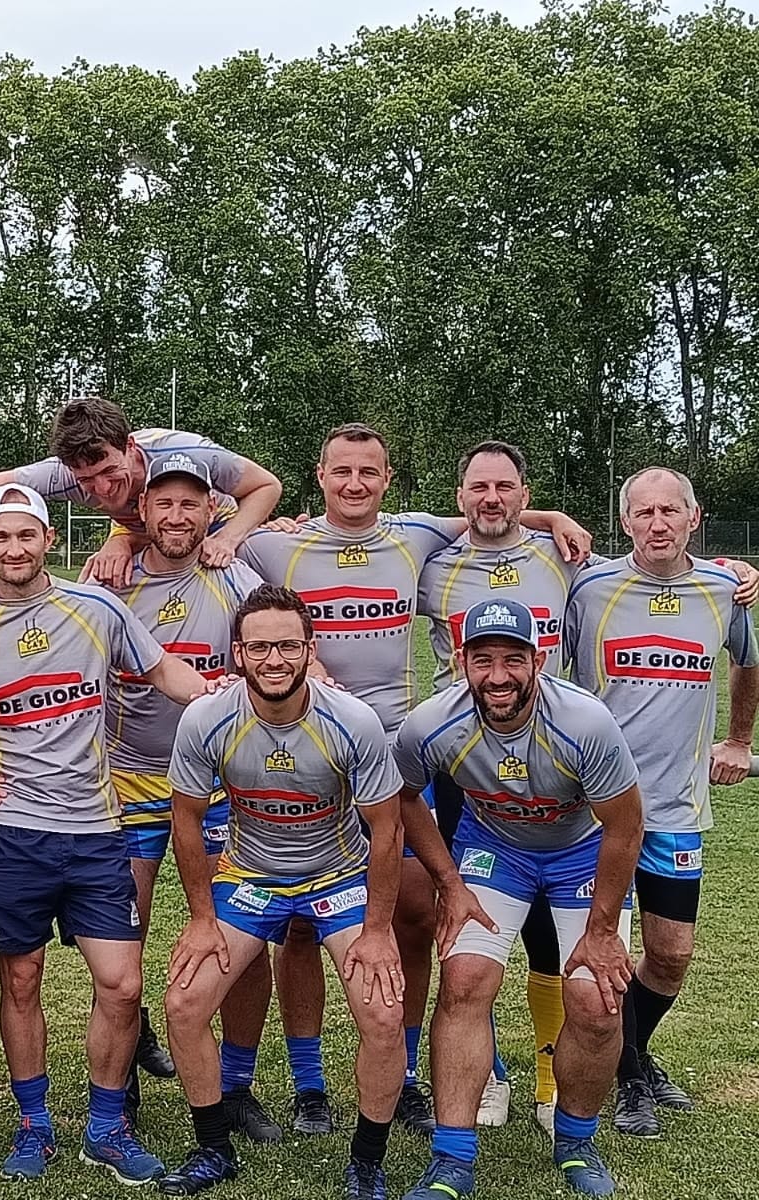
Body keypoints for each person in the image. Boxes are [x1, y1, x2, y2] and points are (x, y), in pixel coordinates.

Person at [230, 424, 590, 1136]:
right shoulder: (273, 547)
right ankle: (308, 1085)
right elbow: (204, 543)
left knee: (418, 918)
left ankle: (412, 1077)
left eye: (369, 471)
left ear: (388, 479)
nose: (354, 483)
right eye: (341, 471)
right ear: (320, 476)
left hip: (398, 759)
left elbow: (491, 515)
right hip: (308, 759)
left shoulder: (416, 536)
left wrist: (552, 516)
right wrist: (123, 540)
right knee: (297, 928)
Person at [0, 482, 216, 1185]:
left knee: (122, 984)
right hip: (14, 833)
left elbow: (163, 670)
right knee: (22, 979)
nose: (14, 548)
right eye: (0, 537)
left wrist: (224, 695)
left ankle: (105, 1128)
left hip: (97, 829)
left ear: (48, 539)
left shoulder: (98, 608)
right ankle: (34, 1125)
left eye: (26, 535)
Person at [161, 584, 406, 1200]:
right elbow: (186, 819)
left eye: (288, 646)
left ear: (310, 649)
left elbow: (387, 829)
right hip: (251, 877)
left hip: (339, 877)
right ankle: (214, 1148)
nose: (275, 660)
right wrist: (201, 918)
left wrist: (379, 930)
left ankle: (366, 1164)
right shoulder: (206, 718)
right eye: (260, 647)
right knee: (184, 1005)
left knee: (383, 1014)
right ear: (238, 653)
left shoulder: (353, 721)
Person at [395, 598, 644, 1200]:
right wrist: (450, 882)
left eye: (513, 659)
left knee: (596, 1000)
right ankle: (452, 1159)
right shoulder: (430, 724)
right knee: (464, 980)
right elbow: (403, 797)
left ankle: (576, 1141)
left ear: (539, 660)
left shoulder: (584, 723)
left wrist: (602, 931)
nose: (498, 676)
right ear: (461, 662)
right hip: (494, 849)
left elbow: (625, 826)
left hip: (581, 852)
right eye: (483, 660)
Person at [563, 467, 758, 1139]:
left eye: (669, 511)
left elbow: (747, 661)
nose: (657, 523)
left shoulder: (726, 590)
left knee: (671, 954)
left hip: (675, 810)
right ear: (625, 523)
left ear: (693, 518)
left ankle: (634, 1056)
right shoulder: (588, 588)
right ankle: (630, 1082)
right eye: (643, 512)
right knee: (605, 957)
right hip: (596, 814)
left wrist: (739, 739)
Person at [102, 452, 266, 1128]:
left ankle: (237, 1084)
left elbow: (280, 650)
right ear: (140, 511)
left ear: (211, 510)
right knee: (121, 938)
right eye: (163, 503)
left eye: (190, 503)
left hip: (221, 785)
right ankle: (120, 1076)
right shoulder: (107, 582)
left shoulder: (237, 578)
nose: (176, 516)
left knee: (242, 935)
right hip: (128, 779)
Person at [0, 396, 283, 587]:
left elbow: (266, 485)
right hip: (155, 545)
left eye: (109, 471)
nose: (102, 489)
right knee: (98, 580)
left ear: (130, 447)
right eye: (86, 480)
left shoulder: (187, 453)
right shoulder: (61, 474)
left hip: (216, 535)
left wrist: (230, 538)